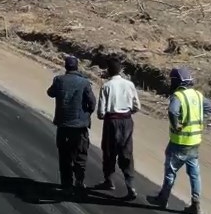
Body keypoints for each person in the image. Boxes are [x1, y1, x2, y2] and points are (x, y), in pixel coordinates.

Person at [150, 67, 205, 214]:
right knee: (194, 174)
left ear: (178, 82)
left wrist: (176, 124)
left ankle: (163, 198)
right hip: (195, 141)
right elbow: (209, 107)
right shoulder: (198, 95)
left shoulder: (178, 96)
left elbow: (173, 111)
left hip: (179, 141)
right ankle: (196, 203)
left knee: (170, 170)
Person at [45, 54, 96, 194]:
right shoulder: (84, 83)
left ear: (65, 66)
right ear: (77, 66)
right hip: (80, 126)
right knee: (80, 155)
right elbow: (92, 103)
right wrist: (86, 114)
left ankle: (66, 183)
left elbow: (50, 93)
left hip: (63, 125)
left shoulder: (59, 80)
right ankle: (79, 181)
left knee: (64, 155)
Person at [94, 56, 140, 199]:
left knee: (109, 151)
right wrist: (127, 113)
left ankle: (109, 180)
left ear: (109, 71)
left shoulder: (106, 86)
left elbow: (101, 112)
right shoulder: (129, 84)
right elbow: (137, 106)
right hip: (126, 120)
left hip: (112, 121)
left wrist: (104, 116)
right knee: (126, 152)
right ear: (120, 70)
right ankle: (130, 185)